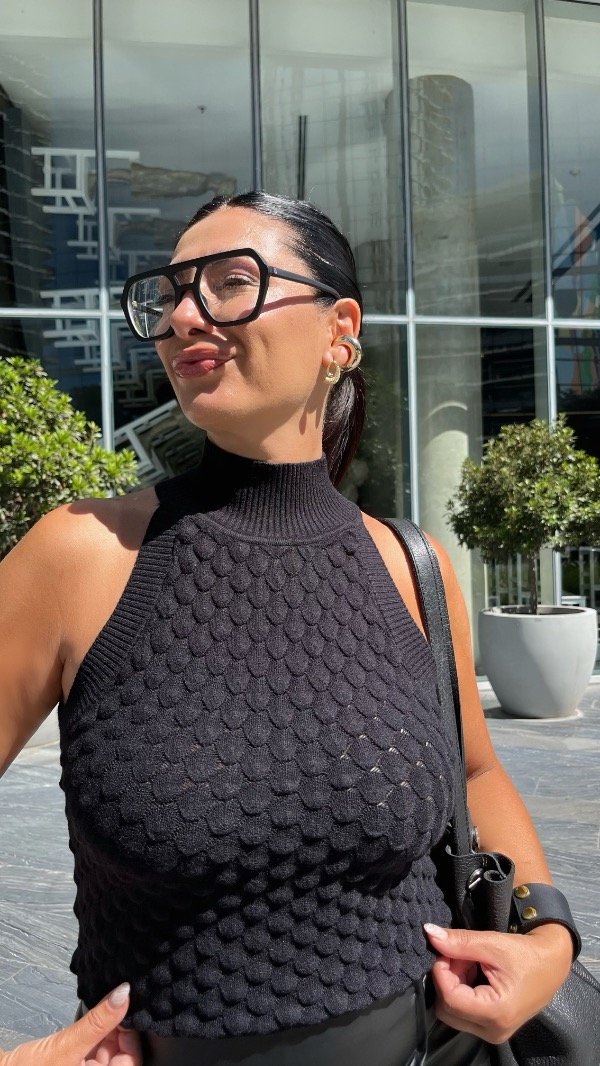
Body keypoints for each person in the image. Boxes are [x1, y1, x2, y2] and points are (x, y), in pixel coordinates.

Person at [0, 191, 578, 1066]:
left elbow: (476, 771)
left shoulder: (411, 566)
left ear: (339, 332)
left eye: (231, 282)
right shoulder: (84, 555)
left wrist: (549, 935)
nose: (184, 315)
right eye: (170, 294)